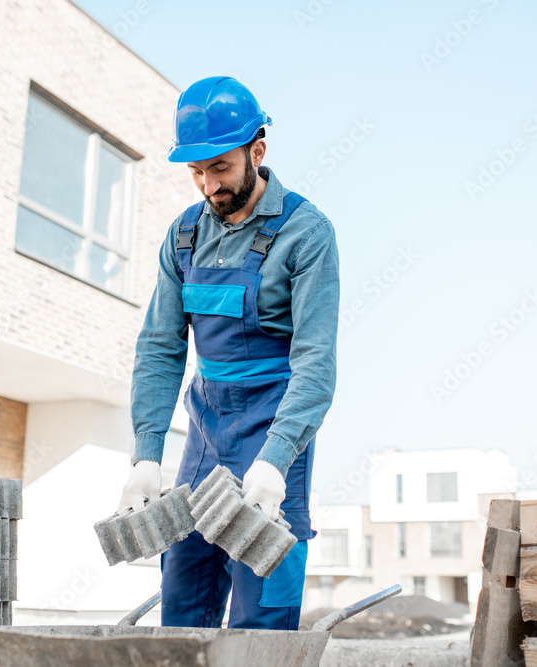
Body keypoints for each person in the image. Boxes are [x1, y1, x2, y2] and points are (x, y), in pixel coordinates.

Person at [117, 76, 340, 630]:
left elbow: (315, 364)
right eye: (196, 171)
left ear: (256, 152)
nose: (208, 184)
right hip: (204, 437)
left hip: (271, 435)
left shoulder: (306, 233)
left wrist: (276, 458)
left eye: (220, 168)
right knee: (184, 596)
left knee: (261, 615)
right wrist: (147, 454)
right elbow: (160, 347)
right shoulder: (184, 235)